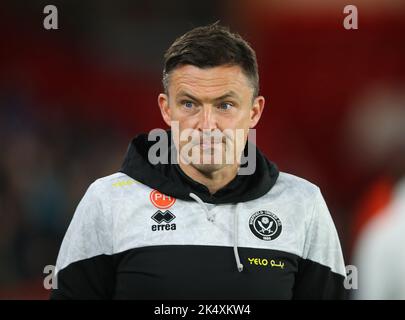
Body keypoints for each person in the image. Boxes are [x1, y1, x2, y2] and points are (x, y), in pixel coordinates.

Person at [51, 23, 346, 299]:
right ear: (166, 110)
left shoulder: (303, 205)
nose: (207, 124)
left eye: (225, 105)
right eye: (189, 103)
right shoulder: (108, 202)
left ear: (255, 112)